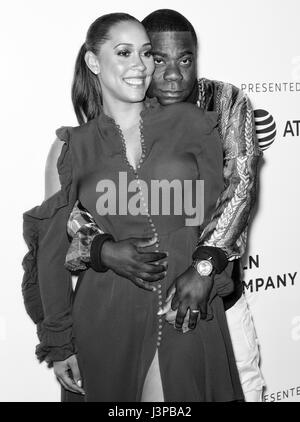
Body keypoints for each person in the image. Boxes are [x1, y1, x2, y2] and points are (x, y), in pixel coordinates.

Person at [22, 12, 244, 402]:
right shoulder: (71, 147)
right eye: (123, 53)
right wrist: (60, 343)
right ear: (94, 62)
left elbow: (215, 221)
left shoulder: (193, 124)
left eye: (146, 54)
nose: (139, 66)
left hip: (185, 309)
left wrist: (205, 273)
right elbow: (51, 253)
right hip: (105, 318)